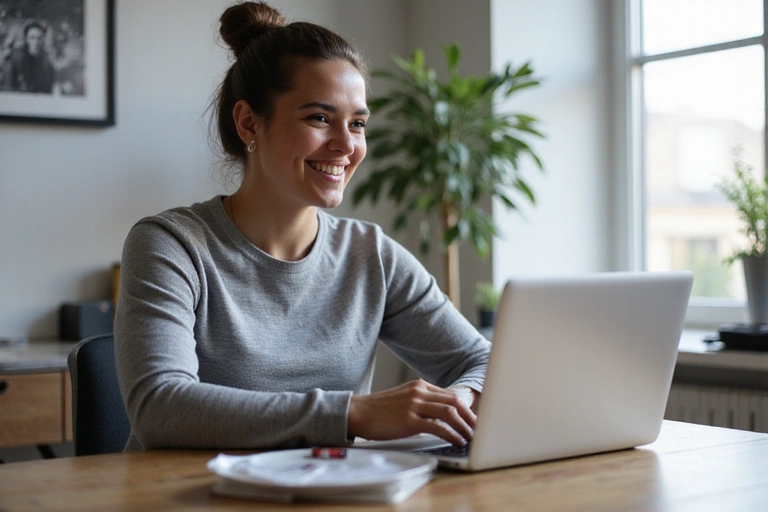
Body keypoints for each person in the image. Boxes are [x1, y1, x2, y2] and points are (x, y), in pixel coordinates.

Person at [114, 1, 491, 451]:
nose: (346, 145)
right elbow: (161, 408)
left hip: (327, 492)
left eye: (358, 124)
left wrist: (459, 400)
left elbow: (483, 360)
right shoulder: (171, 245)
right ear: (248, 122)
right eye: (319, 118)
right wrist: (353, 413)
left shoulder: (370, 253)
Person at [0, 21, 55, 93]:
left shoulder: (46, 61)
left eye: (39, 38)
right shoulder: (15, 58)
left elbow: (48, 88)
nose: (36, 42)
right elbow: (8, 86)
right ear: (26, 39)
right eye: (32, 38)